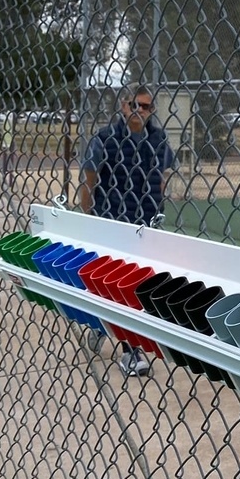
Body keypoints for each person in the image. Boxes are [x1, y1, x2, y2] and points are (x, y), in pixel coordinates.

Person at [79, 84, 176, 377]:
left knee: (140, 283)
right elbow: (89, 182)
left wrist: (157, 212)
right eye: (135, 105)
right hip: (111, 222)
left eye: (146, 107)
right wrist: (89, 219)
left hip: (145, 223)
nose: (139, 111)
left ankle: (103, 324)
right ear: (124, 106)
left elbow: (162, 178)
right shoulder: (105, 139)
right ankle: (129, 350)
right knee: (119, 286)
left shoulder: (158, 139)